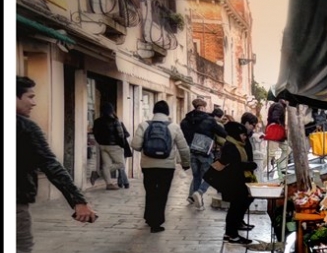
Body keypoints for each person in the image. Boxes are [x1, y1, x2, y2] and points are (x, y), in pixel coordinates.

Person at [17, 75, 98, 253]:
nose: (34, 102)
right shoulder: (25, 127)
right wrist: (78, 201)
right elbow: (50, 164)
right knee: (20, 246)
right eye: (30, 96)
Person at [131, 100, 191, 233]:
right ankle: (156, 223)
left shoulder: (144, 125)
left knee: (150, 192)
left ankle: (148, 217)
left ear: (154, 111)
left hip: (148, 165)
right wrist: (186, 163)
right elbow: (184, 148)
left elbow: (135, 145)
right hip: (167, 166)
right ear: (167, 112)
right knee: (162, 194)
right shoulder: (174, 127)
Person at [180, 97, 226, 210]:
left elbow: (186, 136)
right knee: (211, 176)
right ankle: (199, 192)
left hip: (192, 151)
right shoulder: (209, 120)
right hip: (205, 152)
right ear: (203, 108)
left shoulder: (185, 121)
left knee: (196, 177)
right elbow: (222, 133)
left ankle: (198, 203)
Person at [217, 120, 258, 245]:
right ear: (236, 134)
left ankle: (231, 233)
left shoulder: (236, 145)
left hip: (238, 181)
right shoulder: (231, 146)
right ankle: (232, 234)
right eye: (243, 134)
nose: (245, 137)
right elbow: (235, 165)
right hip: (234, 182)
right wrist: (250, 165)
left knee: (237, 207)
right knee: (235, 208)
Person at [91, 101, 128, 190]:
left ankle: (109, 184)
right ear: (112, 110)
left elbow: (95, 133)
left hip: (102, 145)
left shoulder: (97, 121)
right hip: (114, 146)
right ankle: (98, 174)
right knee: (121, 164)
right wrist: (121, 145)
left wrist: (100, 142)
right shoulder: (115, 121)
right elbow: (121, 134)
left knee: (106, 165)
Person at [265, 99, 290, 177]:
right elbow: (275, 117)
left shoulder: (279, 106)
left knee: (287, 149)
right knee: (271, 153)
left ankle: (282, 167)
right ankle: (258, 169)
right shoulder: (279, 106)